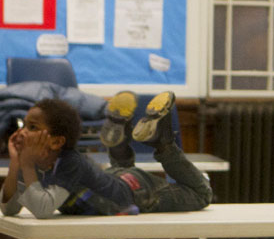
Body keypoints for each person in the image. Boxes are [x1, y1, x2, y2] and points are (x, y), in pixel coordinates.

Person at [1, 91, 213, 218]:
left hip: (138, 193)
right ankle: (119, 139)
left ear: (57, 142)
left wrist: (26, 165)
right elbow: (8, 208)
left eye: (32, 127)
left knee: (202, 194)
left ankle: (163, 143)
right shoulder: (35, 163)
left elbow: (42, 210)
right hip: (116, 178)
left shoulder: (69, 162)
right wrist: (16, 164)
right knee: (114, 179)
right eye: (24, 125)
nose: (22, 131)